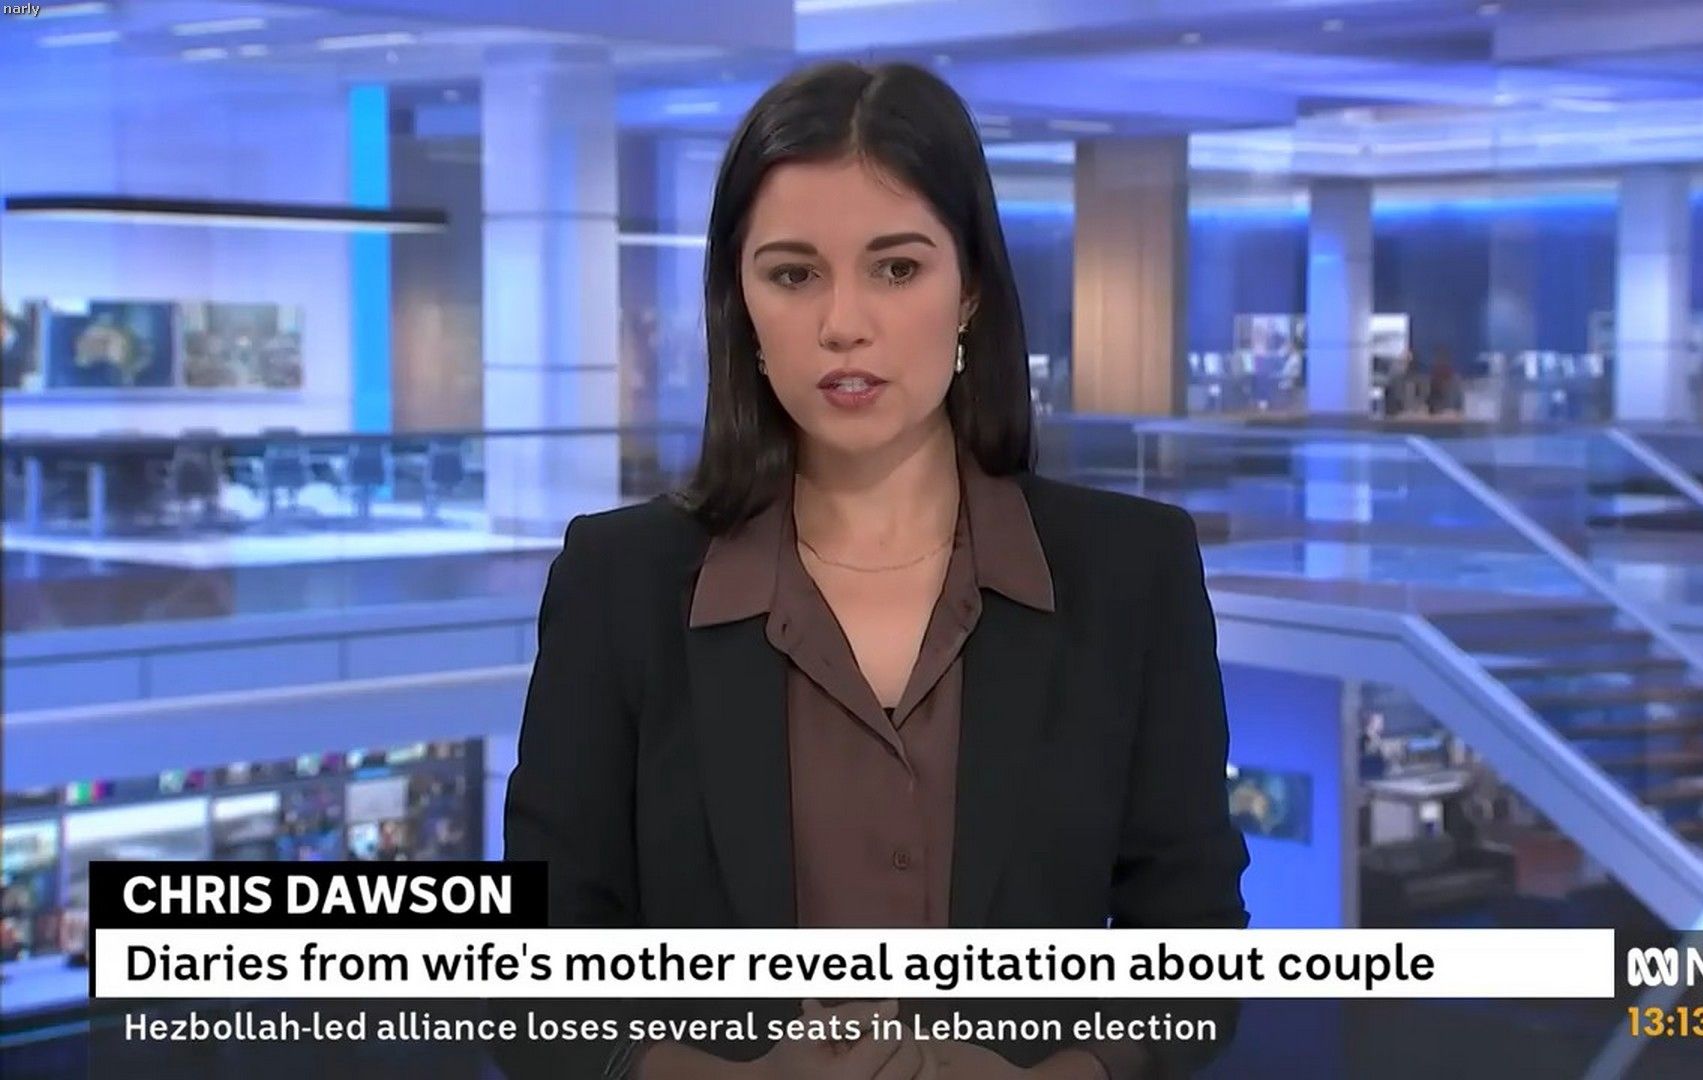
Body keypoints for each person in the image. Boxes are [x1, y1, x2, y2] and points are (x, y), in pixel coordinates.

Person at [503, 61, 1248, 1080]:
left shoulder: (1132, 573)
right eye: (793, 274)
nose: (842, 323)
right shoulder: (618, 582)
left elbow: (1195, 950)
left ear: (970, 288)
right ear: (740, 304)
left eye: (896, 269)